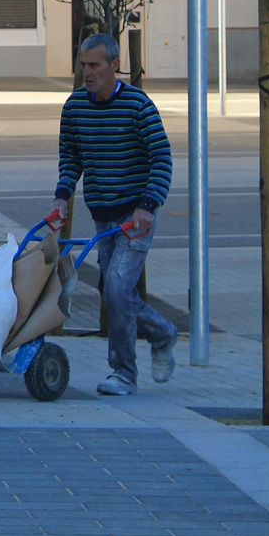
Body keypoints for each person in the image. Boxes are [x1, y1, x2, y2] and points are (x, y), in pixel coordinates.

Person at [50, 32, 177, 395]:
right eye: (83, 65)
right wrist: (61, 197)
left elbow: (161, 158)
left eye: (94, 65)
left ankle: (123, 373)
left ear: (115, 66)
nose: (87, 73)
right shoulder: (75, 107)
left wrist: (149, 205)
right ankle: (164, 333)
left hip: (135, 216)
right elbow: (70, 157)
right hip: (102, 214)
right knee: (113, 291)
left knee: (118, 288)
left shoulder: (137, 105)